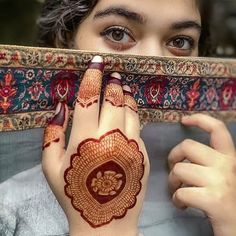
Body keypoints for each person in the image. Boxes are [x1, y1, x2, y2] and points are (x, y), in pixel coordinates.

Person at [0, 0, 235, 235]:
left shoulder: (219, 187)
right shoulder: (12, 211)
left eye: (179, 42)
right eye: (118, 33)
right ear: (65, 42)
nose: (154, 64)